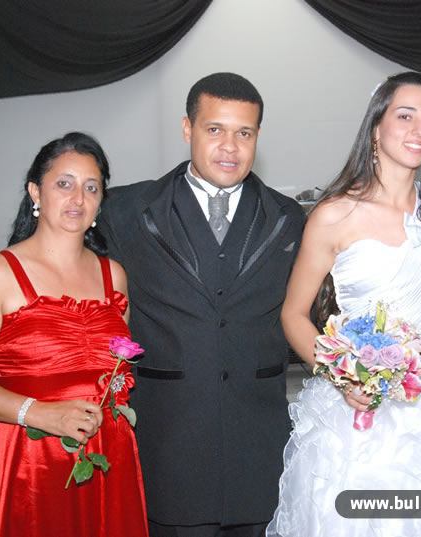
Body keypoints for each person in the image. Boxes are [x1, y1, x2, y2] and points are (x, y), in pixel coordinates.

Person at [267, 72, 421, 536]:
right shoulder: (334, 214)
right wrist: (342, 377)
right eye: (406, 116)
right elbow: (293, 314)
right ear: (376, 127)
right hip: (362, 407)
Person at [98, 72, 306, 537]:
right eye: (215, 129)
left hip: (257, 439)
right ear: (187, 129)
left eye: (244, 133)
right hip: (169, 437)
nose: (230, 147)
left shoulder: (288, 217)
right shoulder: (126, 211)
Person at [0, 132, 148, 537]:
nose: (78, 198)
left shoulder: (113, 276)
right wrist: (38, 412)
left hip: (107, 457)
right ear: (35, 191)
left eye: (91, 187)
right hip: (29, 462)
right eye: (64, 184)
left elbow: (116, 376)